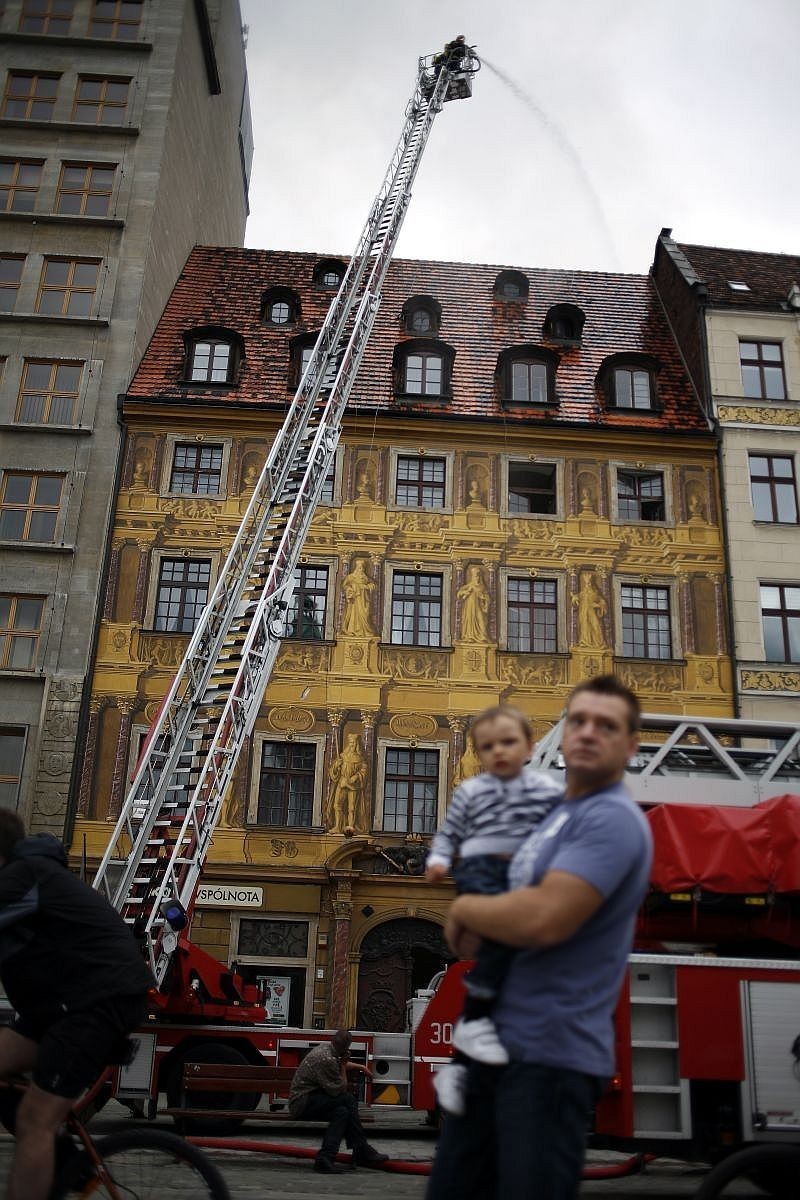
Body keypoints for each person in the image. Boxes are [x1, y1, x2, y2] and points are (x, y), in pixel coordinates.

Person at [427, 675, 653, 1200]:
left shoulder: (610, 818)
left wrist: (466, 907)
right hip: (497, 1049)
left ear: (631, 745)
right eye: (578, 720)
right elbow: (483, 937)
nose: (588, 733)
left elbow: (542, 918)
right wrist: (482, 922)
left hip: (550, 1054)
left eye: (608, 725)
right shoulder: (554, 817)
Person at [0, 811, 154, 1200]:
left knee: (34, 1119)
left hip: (97, 1001)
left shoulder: (23, 877)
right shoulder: (31, 874)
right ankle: (67, 1165)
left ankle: (52, 1156)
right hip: (64, 1002)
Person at [425, 705, 562, 1115]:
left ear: (529, 748)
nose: (499, 752)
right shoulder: (472, 792)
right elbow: (450, 831)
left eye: (508, 743)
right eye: (488, 746)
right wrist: (438, 860)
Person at [287, 1030, 389, 1174]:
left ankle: (325, 1158)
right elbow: (340, 1089)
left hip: (310, 1099)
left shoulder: (326, 1049)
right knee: (348, 1099)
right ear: (346, 1047)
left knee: (342, 1113)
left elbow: (337, 1063)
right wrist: (343, 1066)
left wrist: (360, 1067)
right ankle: (361, 1149)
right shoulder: (326, 1059)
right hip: (302, 1103)